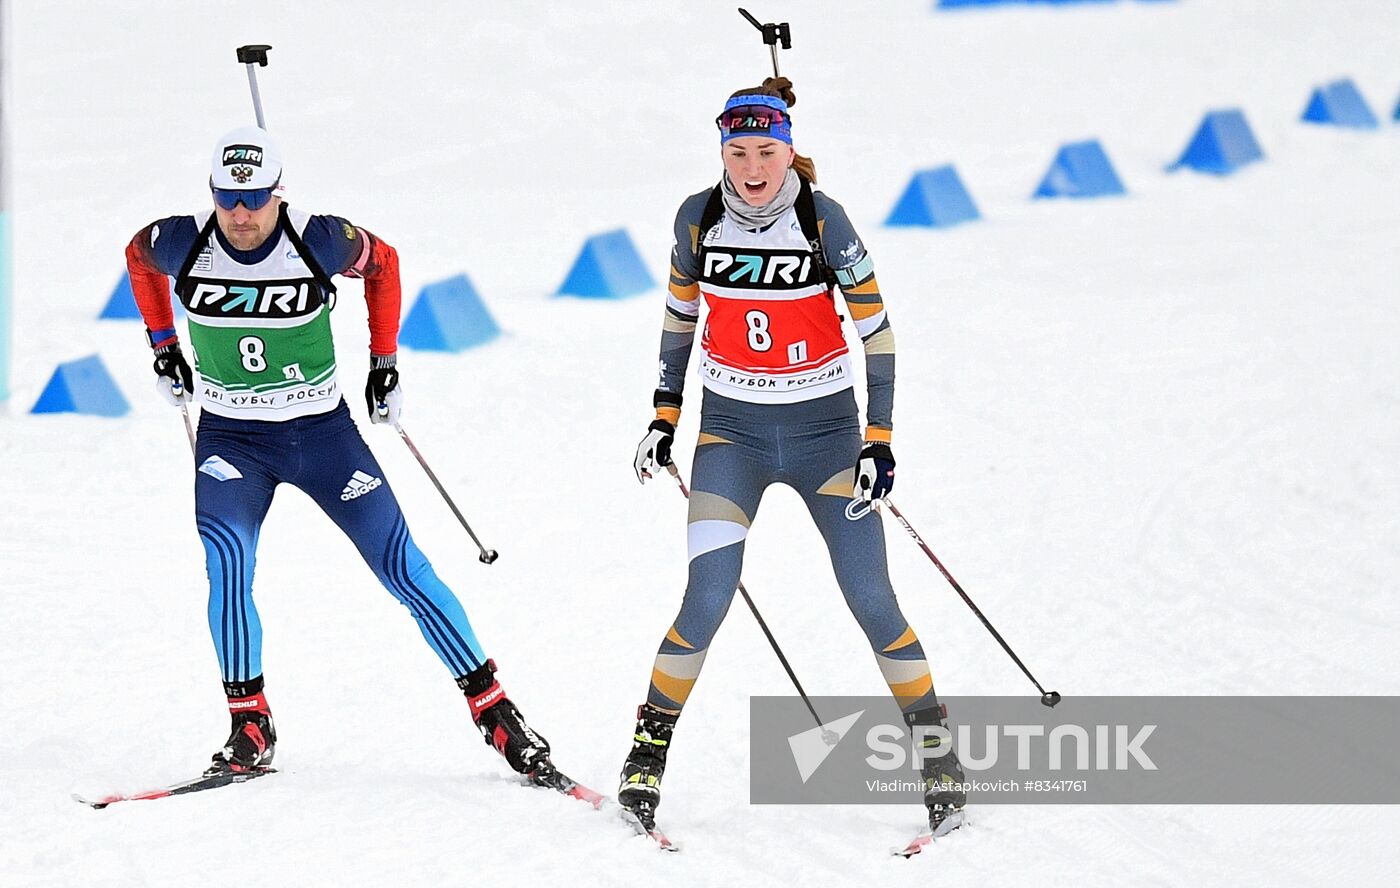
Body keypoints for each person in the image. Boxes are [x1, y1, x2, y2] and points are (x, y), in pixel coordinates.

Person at [124, 125, 556, 782]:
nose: (240, 215)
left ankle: (495, 712)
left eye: (255, 199)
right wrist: (164, 346)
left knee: (402, 567)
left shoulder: (318, 239)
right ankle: (250, 723)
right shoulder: (184, 240)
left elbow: (384, 264)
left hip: (321, 437)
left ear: (278, 192)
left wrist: (384, 363)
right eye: (228, 199)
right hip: (232, 440)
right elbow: (136, 256)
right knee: (227, 560)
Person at [621, 78, 966, 832]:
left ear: (788, 150)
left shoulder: (821, 217)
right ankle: (645, 759)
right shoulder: (698, 217)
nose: (751, 167)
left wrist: (880, 441)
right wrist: (663, 415)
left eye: (766, 150)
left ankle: (939, 764)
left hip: (826, 440)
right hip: (730, 438)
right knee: (706, 597)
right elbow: (681, 318)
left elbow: (877, 333)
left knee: (873, 599)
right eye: (737, 150)